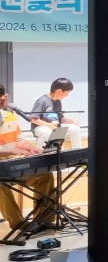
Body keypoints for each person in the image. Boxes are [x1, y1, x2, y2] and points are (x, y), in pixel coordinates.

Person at [0, 84, 55, 233]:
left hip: (13, 164)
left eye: (4, 94)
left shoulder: (10, 116)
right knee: (0, 184)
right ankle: (19, 224)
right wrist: (13, 150)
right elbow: (14, 148)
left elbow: (19, 140)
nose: (3, 98)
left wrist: (31, 148)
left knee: (45, 176)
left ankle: (43, 220)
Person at [29, 77, 83, 149]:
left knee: (75, 129)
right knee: (47, 131)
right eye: (67, 92)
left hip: (54, 127)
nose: (67, 95)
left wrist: (71, 121)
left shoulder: (58, 102)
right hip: (40, 127)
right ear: (59, 91)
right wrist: (48, 125)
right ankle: (39, 153)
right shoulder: (42, 101)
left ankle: (77, 151)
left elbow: (59, 118)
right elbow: (33, 119)